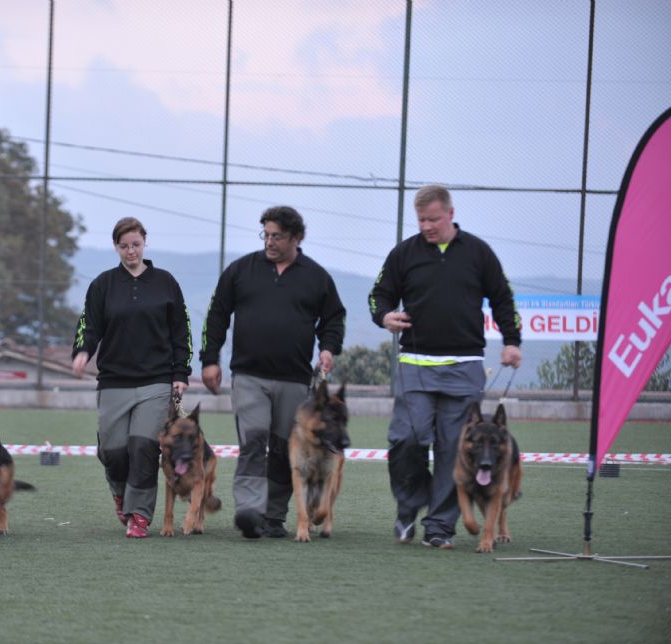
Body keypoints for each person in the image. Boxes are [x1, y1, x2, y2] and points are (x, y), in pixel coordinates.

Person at [368, 184, 522, 550]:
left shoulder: (478, 253)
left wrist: (512, 341)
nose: (427, 226)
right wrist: (384, 316)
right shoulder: (404, 253)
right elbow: (379, 295)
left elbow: (502, 296)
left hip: (465, 366)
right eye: (421, 220)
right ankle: (408, 510)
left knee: (454, 448)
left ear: (450, 214)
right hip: (415, 365)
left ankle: (439, 526)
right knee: (406, 438)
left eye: (433, 219)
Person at [200, 205, 346, 539]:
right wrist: (210, 359)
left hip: (294, 379)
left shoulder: (317, 277)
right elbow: (217, 315)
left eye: (276, 236)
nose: (269, 241)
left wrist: (328, 347)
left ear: (296, 237)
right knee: (253, 440)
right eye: (265, 234)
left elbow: (334, 318)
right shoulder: (241, 271)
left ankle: (273, 515)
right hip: (248, 375)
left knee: (283, 448)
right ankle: (250, 511)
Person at [71, 217, 192, 538]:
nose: (130, 251)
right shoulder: (103, 284)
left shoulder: (165, 282)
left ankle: (139, 515)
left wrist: (180, 373)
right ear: (116, 247)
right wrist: (83, 351)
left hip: (156, 380)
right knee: (112, 451)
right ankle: (120, 492)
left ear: (145, 243)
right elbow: (89, 325)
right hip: (113, 381)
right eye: (124, 246)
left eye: (135, 244)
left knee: (143, 447)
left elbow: (181, 331)